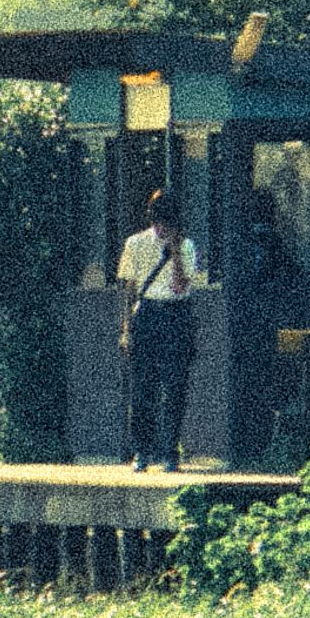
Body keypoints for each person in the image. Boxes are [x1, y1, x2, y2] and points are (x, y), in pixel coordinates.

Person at [117, 189, 203, 472]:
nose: (162, 227)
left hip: (176, 313)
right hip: (147, 313)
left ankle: (170, 451)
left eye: (167, 221)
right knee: (143, 387)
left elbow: (180, 286)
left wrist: (175, 251)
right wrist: (126, 328)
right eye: (157, 220)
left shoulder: (186, 246)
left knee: (175, 386)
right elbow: (130, 289)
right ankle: (142, 450)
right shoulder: (135, 244)